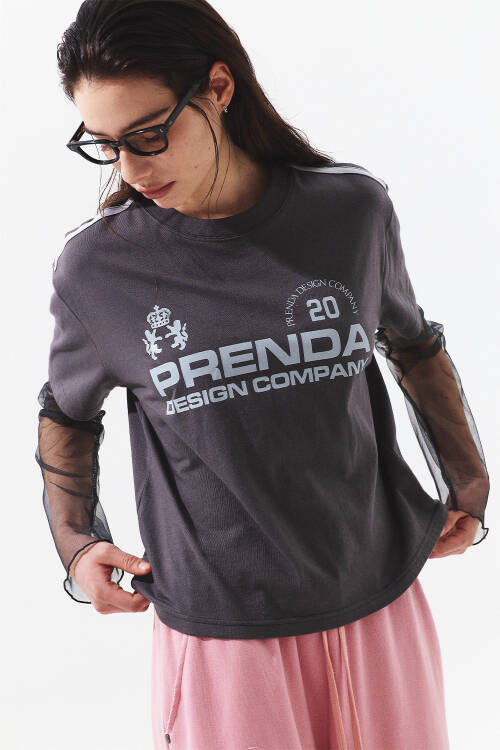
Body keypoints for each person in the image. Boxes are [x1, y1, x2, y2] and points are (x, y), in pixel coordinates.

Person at [35, 1, 490, 748]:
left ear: (218, 88)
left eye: (149, 135)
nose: (131, 169)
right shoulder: (98, 268)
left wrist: (467, 483)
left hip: (379, 601)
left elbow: (412, 343)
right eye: (106, 145)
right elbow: (67, 412)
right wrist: (78, 543)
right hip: (224, 634)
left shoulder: (351, 211)